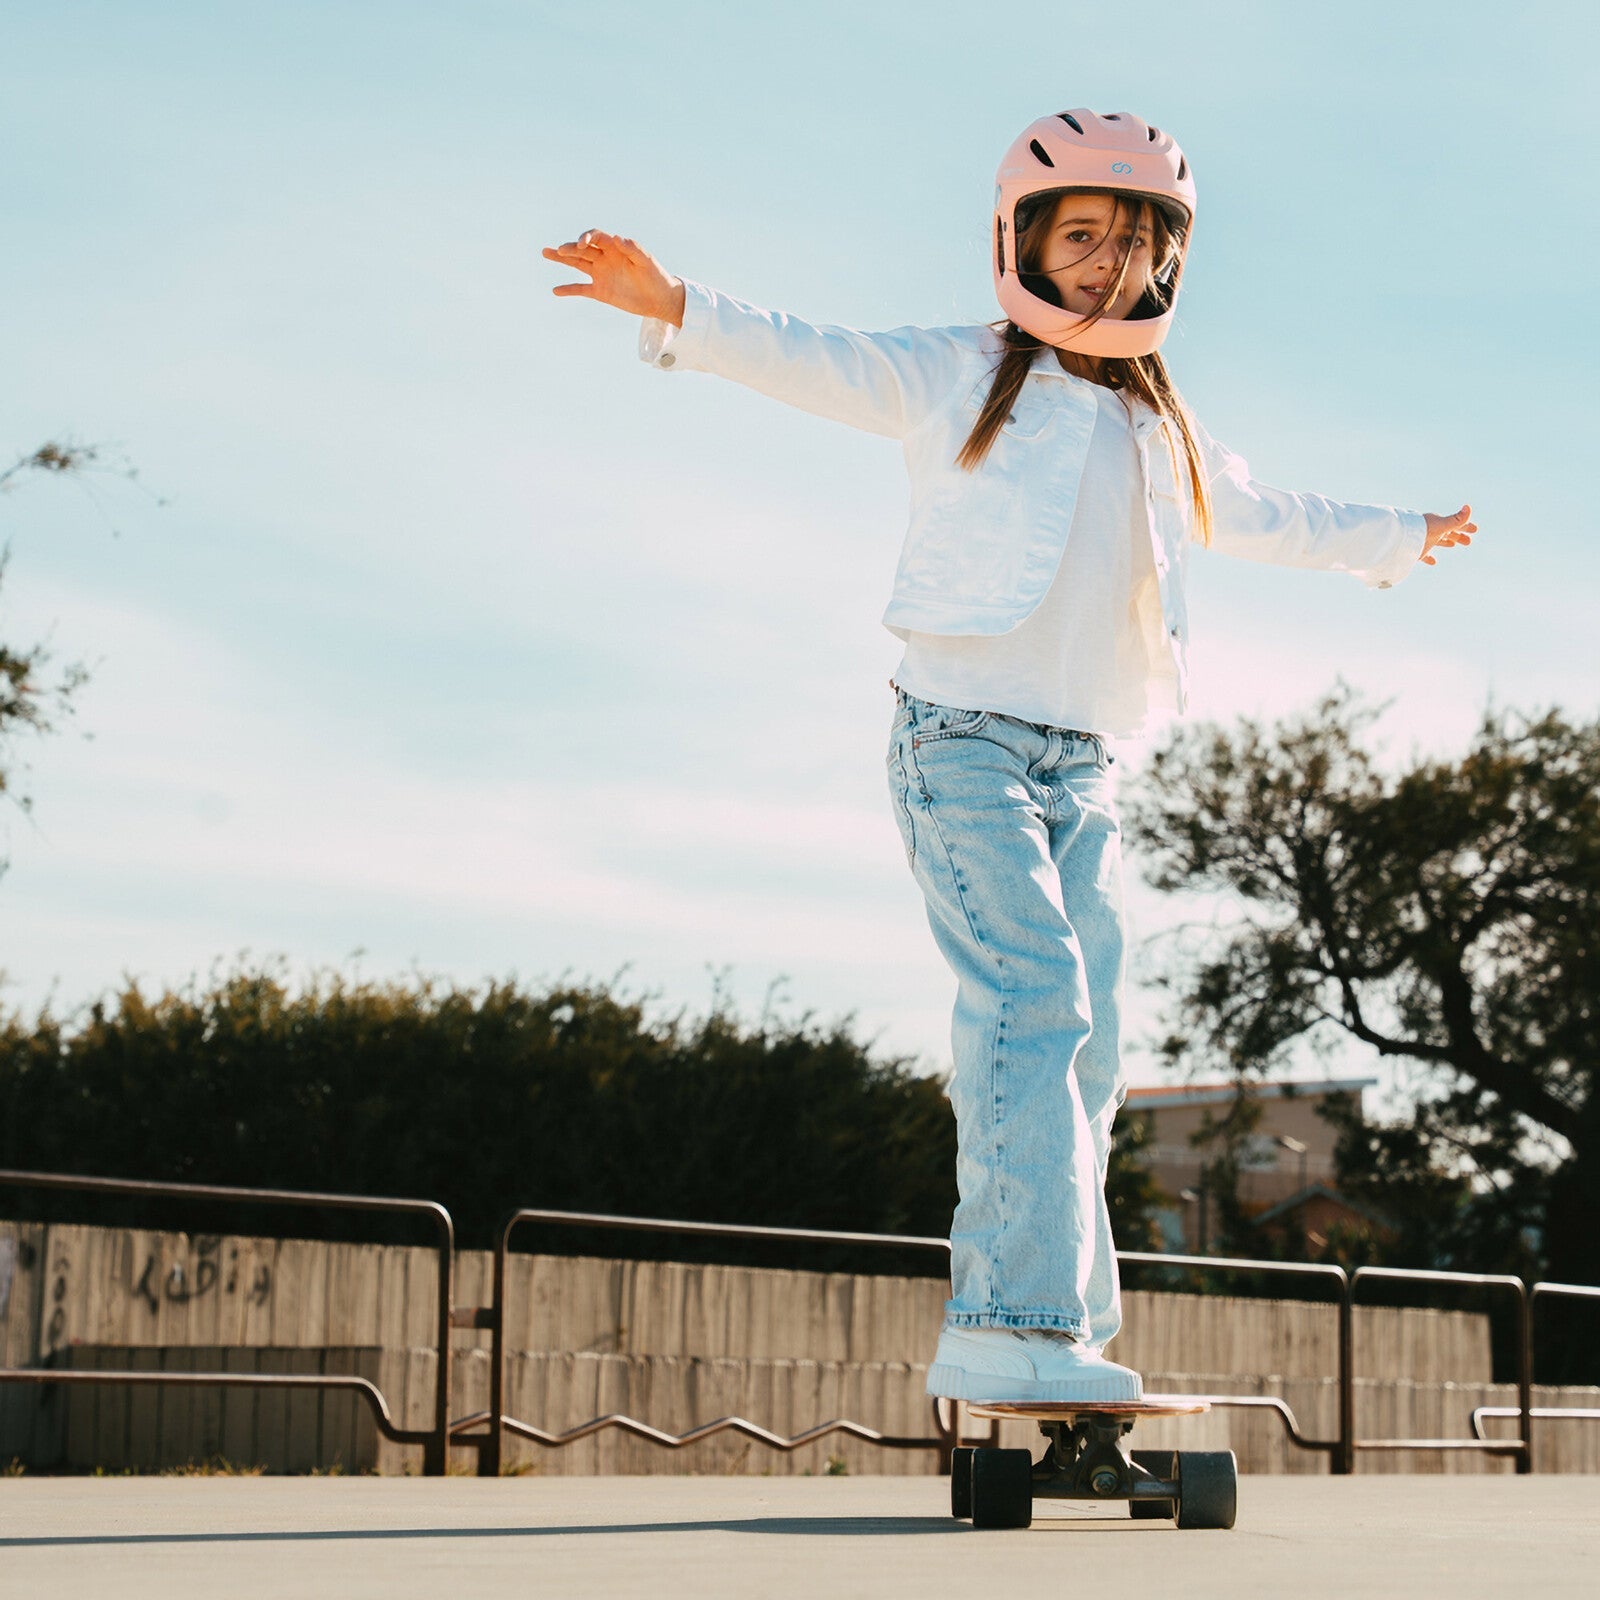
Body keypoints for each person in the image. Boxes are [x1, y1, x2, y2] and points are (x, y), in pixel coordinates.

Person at [541, 108, 1474, 1404]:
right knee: (1033, 1001)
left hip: (1085, 767)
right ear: (1023, 243)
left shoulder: (1162, 430)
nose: (1106, 264)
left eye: (1132, 244)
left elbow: (1270, 515)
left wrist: (1398, 534)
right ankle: (1002, 1320)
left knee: (1088, 1051)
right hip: (960, 747)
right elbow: (824, 360)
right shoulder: (962, 371)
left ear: (1167, 265)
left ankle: (1068, 1331)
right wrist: (679, 305)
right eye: (1081, 235)